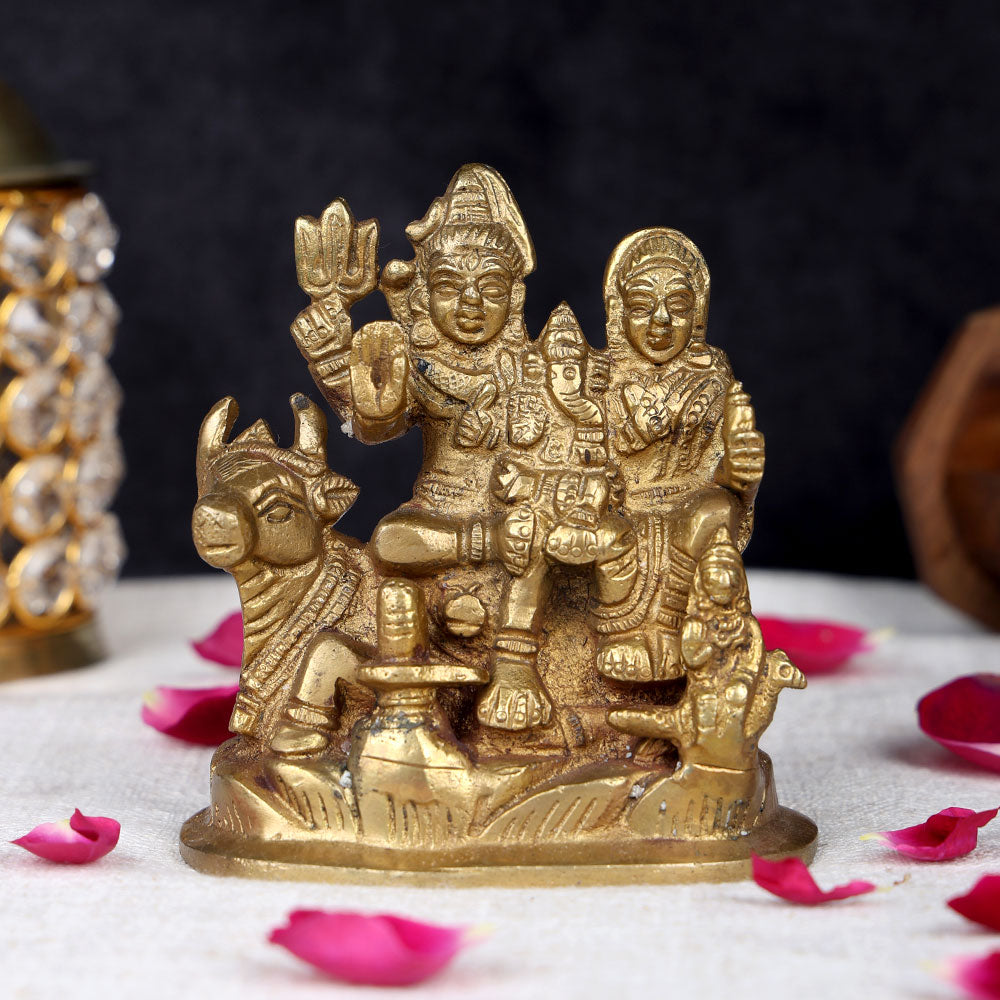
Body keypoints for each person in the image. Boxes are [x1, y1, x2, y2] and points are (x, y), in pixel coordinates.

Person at [592, 228, 765, 683]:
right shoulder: (596, 377)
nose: (662, 321)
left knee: (713, 511)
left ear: (699, 313)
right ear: (618, 310)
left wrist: (742, 474)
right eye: (642, 306)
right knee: (603, 533)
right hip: (619, 505)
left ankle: (672, 628)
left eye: (679, 306)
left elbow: (725, 475)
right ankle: (620, 635)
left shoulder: (712, 378)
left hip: (689, 506)